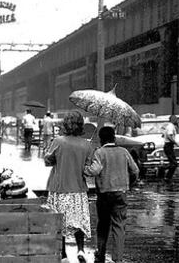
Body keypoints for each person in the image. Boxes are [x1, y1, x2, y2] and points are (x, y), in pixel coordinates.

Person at [84, 126, 139, 263]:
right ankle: (118, 259)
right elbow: (135, 171)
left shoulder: (99, 152)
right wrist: (129, 184)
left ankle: (100, 253)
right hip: (121, 193)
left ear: (101, 139)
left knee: (103, 224)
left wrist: (85, 167)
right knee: (119, 226)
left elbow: (94, 171)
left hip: (104, 194)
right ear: (114, 138)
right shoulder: (124, 151)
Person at [44, 111, 92, 263]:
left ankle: (64, 254)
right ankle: (81, 250)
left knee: (60, 222)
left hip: (59, 188)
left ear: (65, 125)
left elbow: (48, 161)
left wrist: (48, 150)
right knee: (78, 221)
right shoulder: (87, 144)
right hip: (78, 189)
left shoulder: (58, 141)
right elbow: (88, 168)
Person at [163, 115, 179, 184]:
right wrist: (175, 143)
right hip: (168, 146)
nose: (177, 121)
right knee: (174, 164)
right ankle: (167, 176)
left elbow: (164, 135)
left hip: (169, 146)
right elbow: (169, 136)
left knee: (173, 163)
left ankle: (167, 176)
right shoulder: (170, 127)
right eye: (176, 119)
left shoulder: (170, 126)